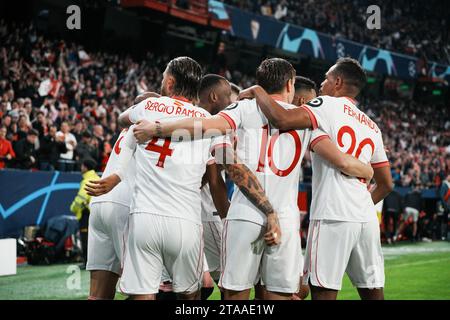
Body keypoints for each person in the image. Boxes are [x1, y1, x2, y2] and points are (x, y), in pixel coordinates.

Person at [131, 58, 373, 300]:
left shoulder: (241, 109)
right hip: (285, 219)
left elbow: (205, 125)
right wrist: (367, 170)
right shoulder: (305, 118)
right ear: (290, 84)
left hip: (244, 214)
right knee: (280, 294)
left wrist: (158, 128)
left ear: (260, 82)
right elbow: (341, 159)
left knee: (235, 296)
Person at [86, 57, 281, 300]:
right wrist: (266, 210)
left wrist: (150, 109)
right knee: (192, 296)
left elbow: (122, 120)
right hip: (186, 222)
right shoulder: (210, 122)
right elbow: (233, 167)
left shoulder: (148, 108)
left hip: (143, 218)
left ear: (169, 82)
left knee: (141, 295)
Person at [237, 57, 393, 300]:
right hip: (365, 219)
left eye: (326, 78)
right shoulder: (373, 126)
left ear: (338, 82)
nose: (322, 84)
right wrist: (361, 203)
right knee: (373, 294)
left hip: (332, 215)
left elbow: (282, 119)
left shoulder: (326, 105)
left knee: (323, 292)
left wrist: (258, 90)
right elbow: (387, 184)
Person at [70, 158, 99, 267]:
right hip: (97, 213)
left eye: (82, 166)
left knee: (86, 239)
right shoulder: (98, 178)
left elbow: (80, 199)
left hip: (86, 214)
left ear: (85, 167)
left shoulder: (86, 181)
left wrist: (72, 208)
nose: (81, 168)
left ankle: (87, 262)